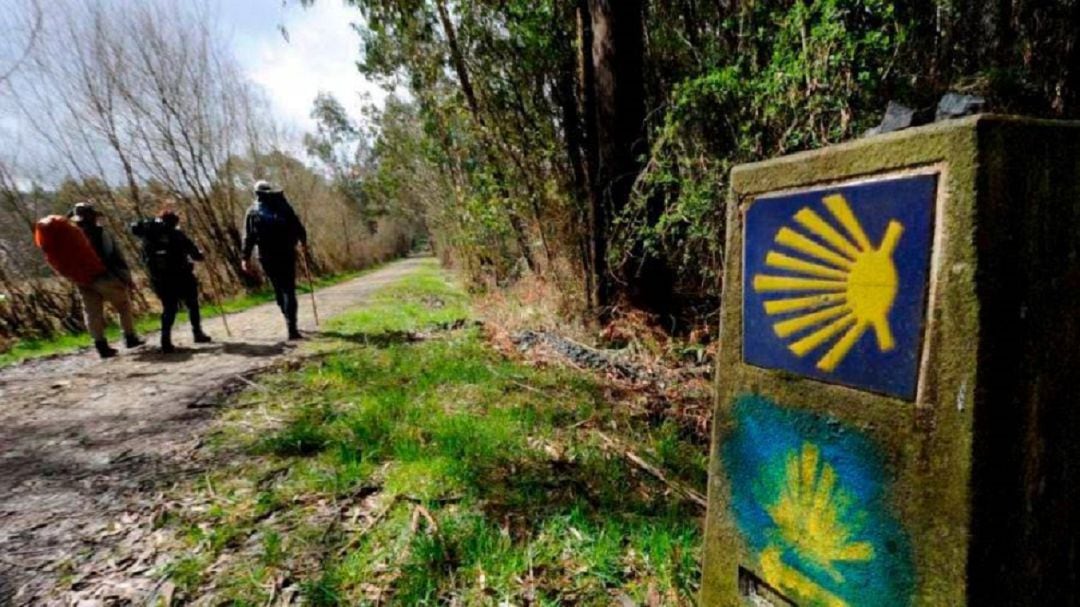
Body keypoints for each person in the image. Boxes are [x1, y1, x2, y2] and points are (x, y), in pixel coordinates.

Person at [69, 202, 145, 358]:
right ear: (93, 217)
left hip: (83, 280)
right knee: (123, 306)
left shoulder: (72, 237)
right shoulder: (101, 233)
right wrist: (124, 277)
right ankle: (129, 337)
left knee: (92, 312)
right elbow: (111, 255)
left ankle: (100, 345)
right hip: (106, 277)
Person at [131, 209, 212, 353]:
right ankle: (197, 333)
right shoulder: (177, 234)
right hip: (182, 275)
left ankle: (165, 340)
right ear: (175, 222)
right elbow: (196, 255)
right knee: (192, 303)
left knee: (169, 308)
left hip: (160, 279)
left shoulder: (149, 238)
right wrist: (201, 254)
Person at [241, 181, 308, 340]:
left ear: (257, 193)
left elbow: (248, 237)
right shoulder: (283, 206)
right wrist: (303, 242)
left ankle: (288, 318)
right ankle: (292, 326)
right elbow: (297, 225)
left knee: (279, 289)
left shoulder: (252, 212)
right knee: (288, 289)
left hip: (266, 256)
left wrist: (245, 258)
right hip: (286, 252)